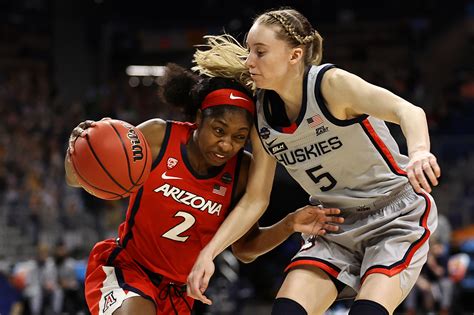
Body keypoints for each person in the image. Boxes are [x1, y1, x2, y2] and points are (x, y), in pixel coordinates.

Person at [186, 7, 441, 315]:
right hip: (334, 223)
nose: (249, 61)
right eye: (249, 51)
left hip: (395, 216)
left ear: (295, 55)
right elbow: (255, 199)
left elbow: (408, 111)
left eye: (260, 52)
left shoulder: (330, 85)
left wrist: (419, 152)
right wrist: (208, 253)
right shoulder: (262, 116)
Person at [64, 63, 341, 315]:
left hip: (180, 294)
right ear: (199, 118)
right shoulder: (160, 136)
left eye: (239, 137)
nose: (226, 145)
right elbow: (78, 179)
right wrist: (78, 153)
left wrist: (290, 223)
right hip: (128, 269)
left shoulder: (242, 171)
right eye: (219, 130)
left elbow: (245, 249)